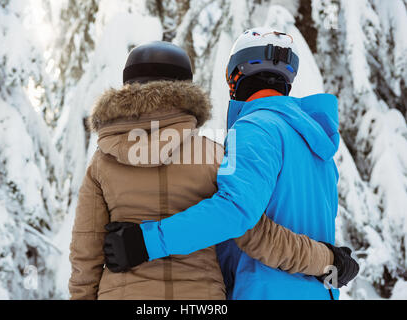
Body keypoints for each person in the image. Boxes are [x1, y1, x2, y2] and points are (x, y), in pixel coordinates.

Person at [68, 41, 353, 300]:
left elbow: (85, 253)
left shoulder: (102, 163)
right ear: (186, 91)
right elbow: (257, 235)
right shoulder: (215, 155)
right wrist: (325, 259)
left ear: (128, 88)